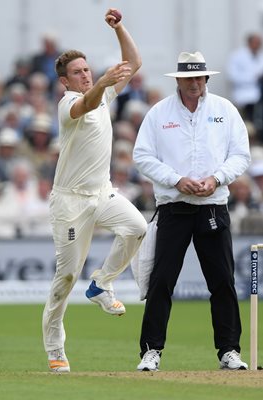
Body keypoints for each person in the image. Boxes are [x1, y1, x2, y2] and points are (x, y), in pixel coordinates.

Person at [42, 9, 147, 373]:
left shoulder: (101, 94)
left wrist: (119, 28)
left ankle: (102, 284)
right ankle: (55, 349)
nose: (84, 75)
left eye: (87, 70)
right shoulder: (69, 103)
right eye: (78, 72)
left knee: (137, 228)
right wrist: (101, 83)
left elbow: (133, 62)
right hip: (70, 202)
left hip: (102, 192)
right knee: (66, 277)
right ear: (64, 81)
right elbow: (87, 103)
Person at [133, 51, 251, 371]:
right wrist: (176, 180)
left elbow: (241, 155)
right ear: (179, 80)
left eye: (199, 77)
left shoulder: (224, 110)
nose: (194, 83)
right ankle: (151, 350)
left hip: (213, 206)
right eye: (188, 78)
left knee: (223, 282)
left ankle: (229, 351)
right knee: (162, 282)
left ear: (206, 79)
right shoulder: (159, 113)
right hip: (174, 206)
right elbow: (142, 156)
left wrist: (217, 178)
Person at [227, 33, 263, 122]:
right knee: (247, 120)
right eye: (256, 42)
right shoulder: (237, 56)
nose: (259, 45)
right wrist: (254, 77)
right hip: (244, 94)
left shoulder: (260, 55)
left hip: (259, 94)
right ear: (249, 42)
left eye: (259, 43)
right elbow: (232, 76)